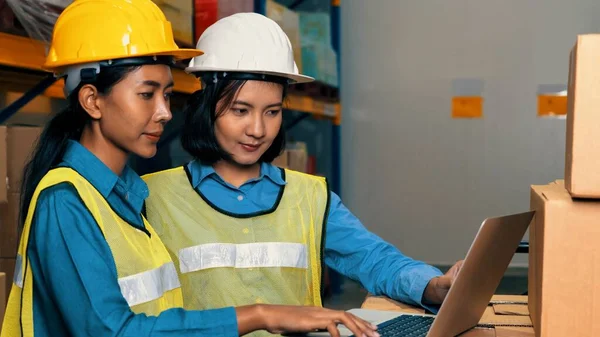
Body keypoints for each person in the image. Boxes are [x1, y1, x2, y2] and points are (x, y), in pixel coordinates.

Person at [0, 2, 378, 337]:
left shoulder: (125, 198)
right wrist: (260, 314)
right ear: (92, 100)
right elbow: (111, 330)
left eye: (166, 95)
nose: (165, 112)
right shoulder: (66, 202)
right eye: (147, 95)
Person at [142, 12, 464, 337]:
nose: (257, 130)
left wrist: (434, 286)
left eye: (272, 112)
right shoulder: (151, 198)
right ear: (204, 108)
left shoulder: (309, 198)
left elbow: (374, 259)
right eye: (240, 110)